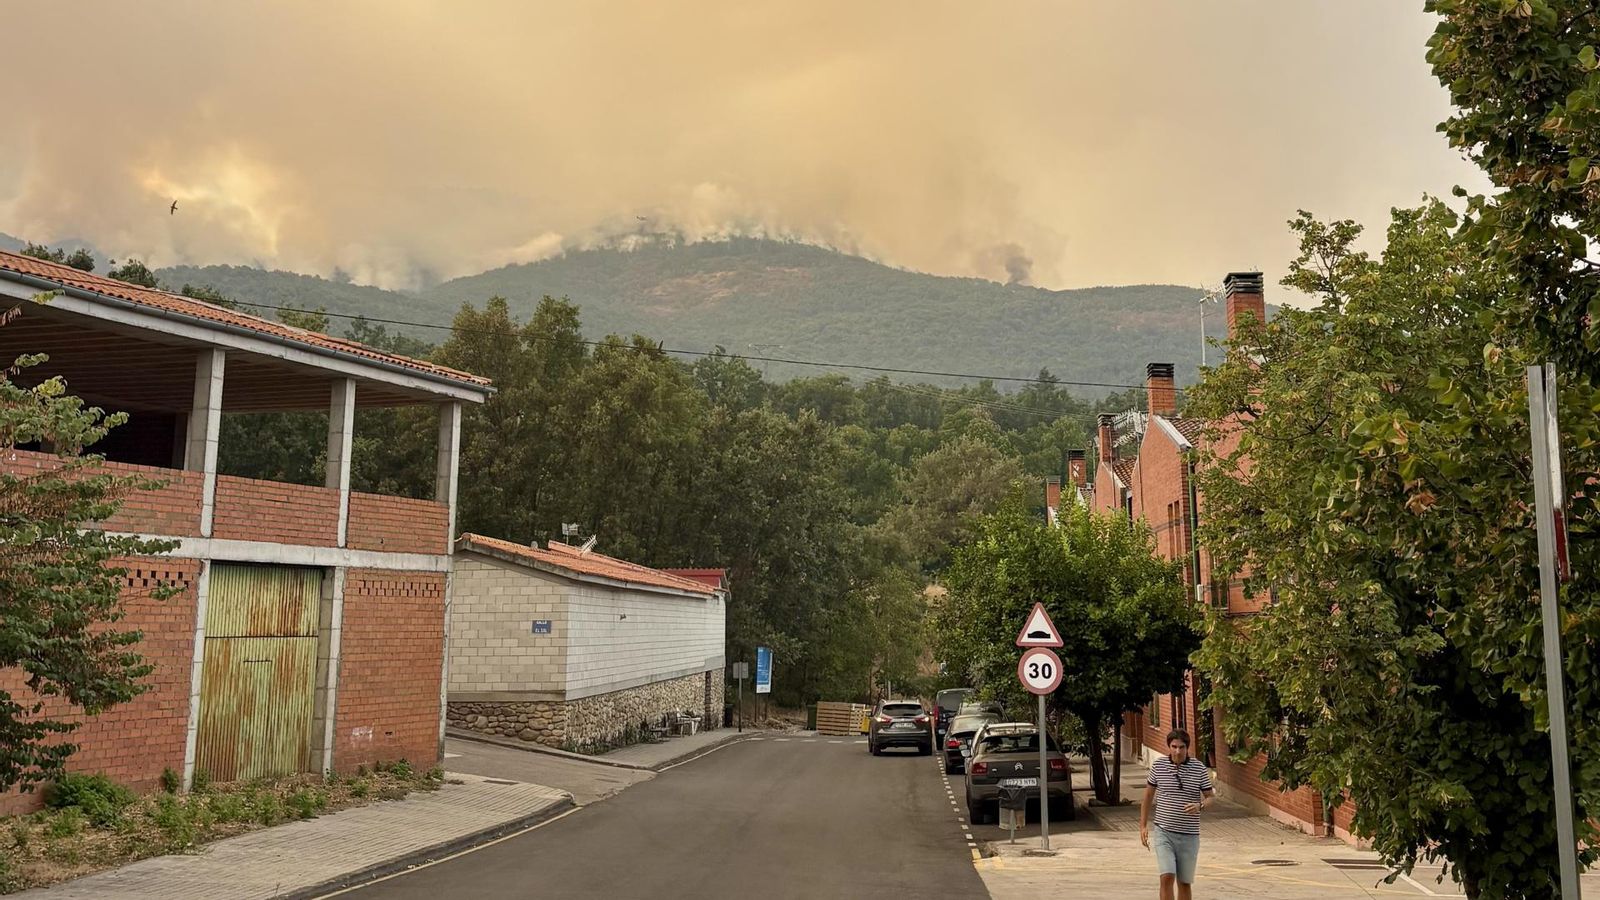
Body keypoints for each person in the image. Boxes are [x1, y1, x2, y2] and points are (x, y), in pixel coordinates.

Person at [1139, 728, 1215, 900]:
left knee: (1184, 882)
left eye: (1181, 747)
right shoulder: (1159, 766)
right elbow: (1148, 796)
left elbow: (1211, 797)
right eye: (1174, 747)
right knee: (1167, 876)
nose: (1177, 751)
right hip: (1164, 832)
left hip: (1189, 835)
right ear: (1169, 747)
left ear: (1187, 748)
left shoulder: (1199, 768)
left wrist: (1199, 805)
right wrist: (1143, 826)